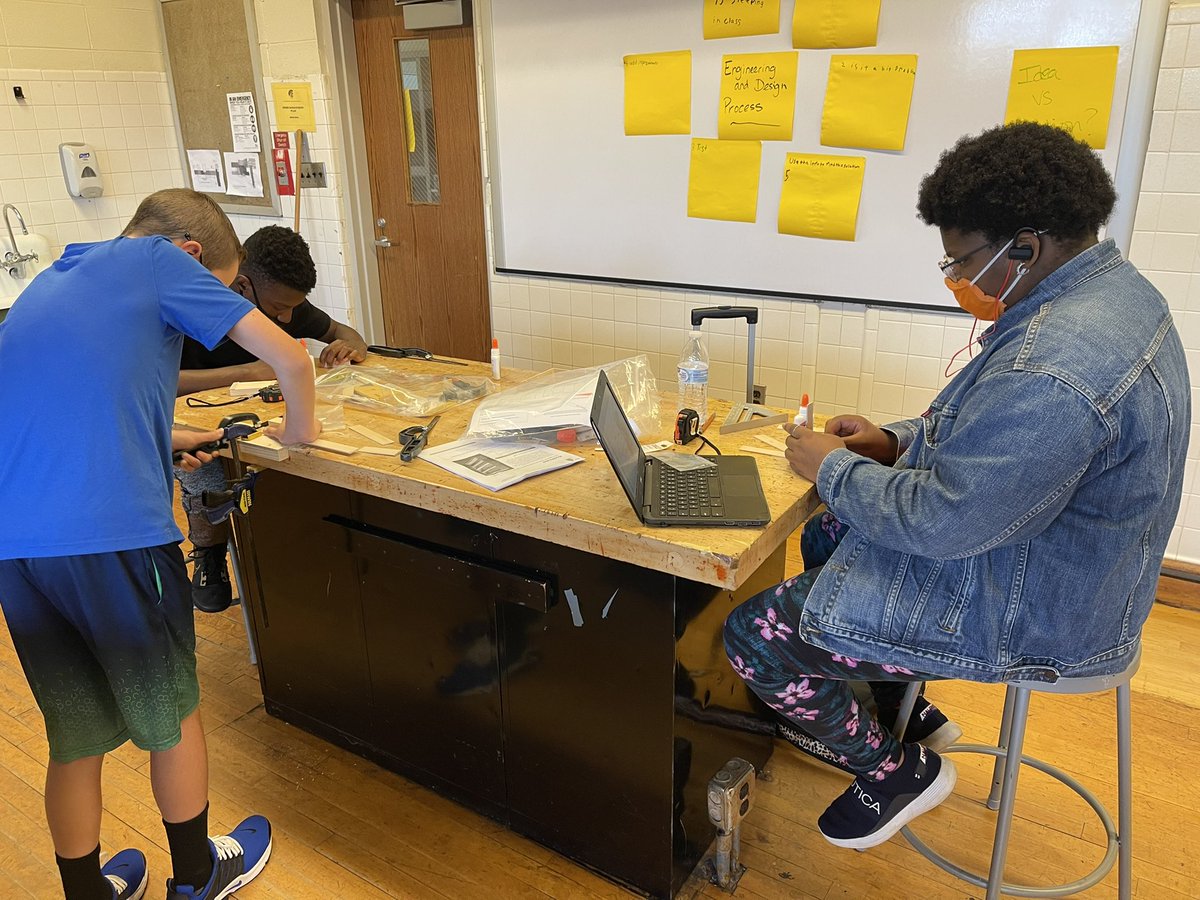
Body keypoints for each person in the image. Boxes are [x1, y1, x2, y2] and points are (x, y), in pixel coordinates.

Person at [724, 122, 1190, 851]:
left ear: (1026, 247)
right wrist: (893, 441)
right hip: (1054, 561)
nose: (955, 277)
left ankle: (893, 769)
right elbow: (989, 438)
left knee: (753, 636)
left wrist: (833, 467)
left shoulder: (1056, 365)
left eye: (960, 259)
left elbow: (943, 523)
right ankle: (902, 703)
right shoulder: (1105, 295)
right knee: (826, 531)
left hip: (1039, 614)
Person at [0, 189, 322, 900]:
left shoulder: (51, 281)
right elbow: (293, 358)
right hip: (113, 541)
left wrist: (167, 440)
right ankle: (198, 874)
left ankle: (87, 893)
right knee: (171, 717)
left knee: (76, 736)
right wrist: (301, 438)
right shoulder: (159, 261)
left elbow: (102, 393)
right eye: (217, 289)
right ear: (192, 255)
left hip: (18, 551)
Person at [174, 225, 367, 612]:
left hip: (264, 414)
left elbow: (341, 331)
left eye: (294, 308)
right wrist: (246, 373)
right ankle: (209, 552)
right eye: (279, 308)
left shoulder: (283, 305)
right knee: (208, 471)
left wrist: (352, 344)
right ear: (243, 287)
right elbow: (158, 381)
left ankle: (296, 553)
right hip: (192, 420)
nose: (287, 317)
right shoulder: (190, 311)